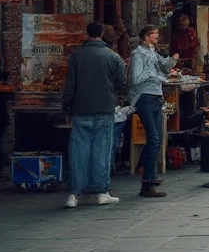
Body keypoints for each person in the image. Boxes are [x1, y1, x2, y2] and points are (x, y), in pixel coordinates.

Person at [62, 22, 127, 209]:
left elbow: (70, 84)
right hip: (104, 109)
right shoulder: (113, 57)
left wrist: (66, 106)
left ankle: (74, 193)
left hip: (80, 110)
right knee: (102, 151)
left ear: (87, 33)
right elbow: (121, 83)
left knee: (78, 152)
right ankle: (100, 191)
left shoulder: (76, 56)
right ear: (102, 35)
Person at [128, 25, 178, 197]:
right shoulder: (138, 54)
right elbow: (135, 78)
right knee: (154, 139)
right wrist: (153, 76)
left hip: (156, 96)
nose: (157, 36)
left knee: (157, 138)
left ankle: (144, 168)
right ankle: (148, 181)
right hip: (144, 97)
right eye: (154, 34)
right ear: (146, 36)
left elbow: (163, 69)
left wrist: (171, 62)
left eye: (157, 33)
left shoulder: (152, 52)